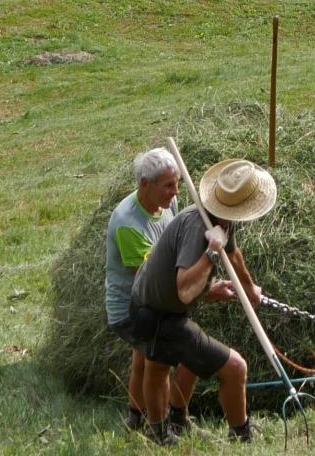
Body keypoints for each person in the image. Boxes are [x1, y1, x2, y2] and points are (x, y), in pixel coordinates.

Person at [129, 159, 273, 445]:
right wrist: (212, 253)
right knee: (236, 368)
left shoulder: (220, 220)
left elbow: (233, 253)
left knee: (161, 366)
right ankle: (241, 435)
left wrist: (249, 287)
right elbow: (184, 289)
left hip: (156, 306)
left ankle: (161, 431)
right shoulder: (200, 228)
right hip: (157, 315)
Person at [102, 148, 194, 433]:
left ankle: (135, 417)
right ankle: (170, 422)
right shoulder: (128, 224)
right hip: (130, 308)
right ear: (145, 184)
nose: (175, 192)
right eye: (168, 185)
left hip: (152, 302)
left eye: (177, 183)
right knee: (168, 355)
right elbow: (151, 279)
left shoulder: (168, 202)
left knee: (143, 357)